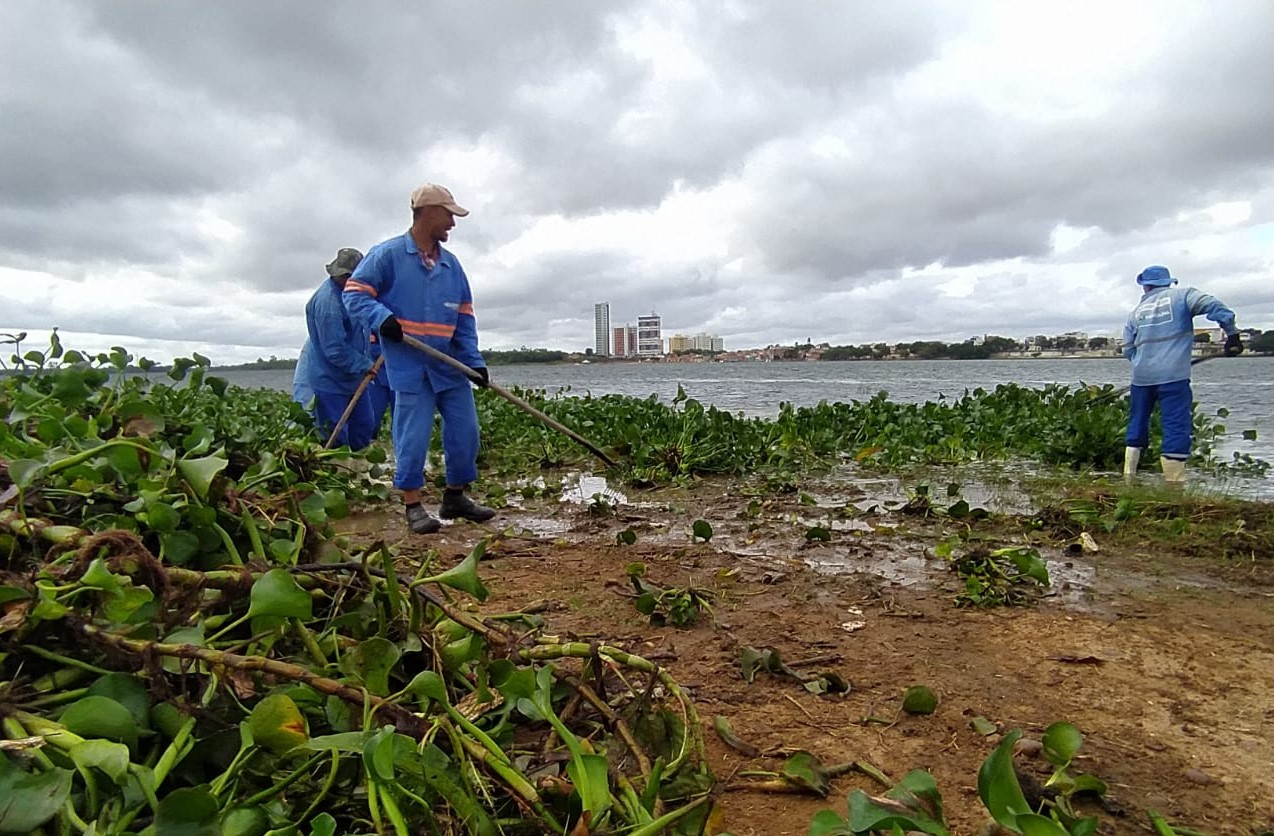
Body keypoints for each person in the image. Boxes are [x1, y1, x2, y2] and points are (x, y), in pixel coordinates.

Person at [343, 183, 495, 534]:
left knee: (466, 431)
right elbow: (354, 294)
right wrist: (382, 319)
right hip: (409, 363)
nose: (452, 224)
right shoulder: (388, 255)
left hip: (449, 364)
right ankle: (413, 503)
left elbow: (464, 318)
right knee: (412, 435)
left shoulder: (452, 266)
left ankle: (455, 496)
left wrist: (473, 361)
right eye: (448, 215)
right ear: (428, 213)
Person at [1121, 265, 1243, 486]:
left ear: (1145, 286)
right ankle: (1174, 484)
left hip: (1141, 378)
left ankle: (1129, 476)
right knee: (1175, 424)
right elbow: (1214, 306)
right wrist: (1232, 334)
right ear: (1168, 282)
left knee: (1137, 421)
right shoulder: (1183, 296)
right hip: (1174, 377)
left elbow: (1128, 349)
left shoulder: (1135, 313)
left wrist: (1143, 363)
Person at [293, 247, 377, 450]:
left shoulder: (356, 294)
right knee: (335, 435)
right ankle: (337, 464)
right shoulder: (328, 304)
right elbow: (335, 349)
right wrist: (365, 365)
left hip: (354, 379)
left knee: (364, 428)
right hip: (330, 380)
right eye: (344, 276)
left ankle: (358, 466)